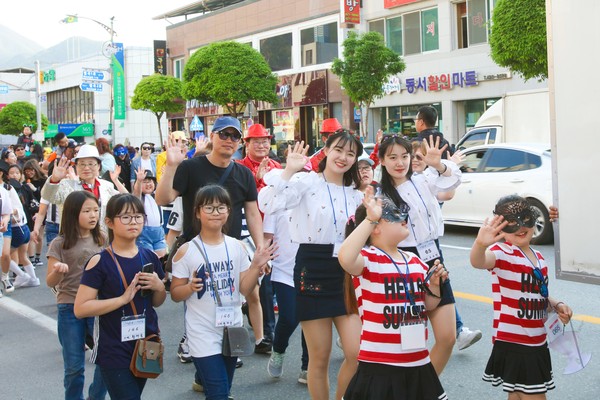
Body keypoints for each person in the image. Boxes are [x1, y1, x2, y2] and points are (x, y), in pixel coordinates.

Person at [258, 131, 363, 400]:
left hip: (346, 271)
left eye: (351, 154)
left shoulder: (357, 193)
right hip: (312, 268)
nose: (344, 157)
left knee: (357, 352)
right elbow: (268, 203)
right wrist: (288, 171)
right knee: (319, 358)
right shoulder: (306, 182)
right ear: (326, 150)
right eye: (339, 150)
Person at [338, 187, 449, 400]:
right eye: (394, 215)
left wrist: (434, 287)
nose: (403, 218)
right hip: (379, 364)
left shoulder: (415, 262)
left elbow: (427, 306)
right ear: (376, 228)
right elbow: (345, 257)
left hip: (418, 361)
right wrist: (370, 219)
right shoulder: (368, 258)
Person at [170, 184, 276, 400]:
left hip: (232, 329)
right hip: (202, 333)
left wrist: (255, 266)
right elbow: (174, 294)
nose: (215, 212)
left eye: (221, 207)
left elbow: (245, 290)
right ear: (198, 212)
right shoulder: (186, 251)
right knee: (218, 393)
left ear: (229, 212)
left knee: (223, 390)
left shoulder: (236, 247)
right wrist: (189, 287)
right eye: (208, 208)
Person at [376, 134, 470, 375]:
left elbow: (452, 181)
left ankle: (424, 388)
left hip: (433, 257)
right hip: (402, 262)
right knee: (410, 342)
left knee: (448, 337)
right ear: (382, 161)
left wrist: (438, 163)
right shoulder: (380, 198)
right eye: (393, 157)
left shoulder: (423, 179)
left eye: (405, 156)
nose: (400, 162)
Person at [470, 195, 573, 399]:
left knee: (517, 394)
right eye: (511, 223)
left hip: (536, 338)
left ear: (534, 220)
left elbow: (539, 294)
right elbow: (479, 261)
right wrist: (480, 244)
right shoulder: (502, 252)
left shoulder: (540, 258)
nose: (519, 227)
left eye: (525, 218)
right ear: (500, 229)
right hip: (516, 341)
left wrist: (557, 304)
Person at [74, 194, 166, 400]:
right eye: (125, 217)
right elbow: (80, 308)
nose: (133, 222)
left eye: (138, 216)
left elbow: (156, 302)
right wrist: (122, 300)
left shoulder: (149, 256)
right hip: (113, 347)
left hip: (145, 342)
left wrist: (159, 287)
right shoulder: (99, 261)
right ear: (109, 222)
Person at [409, 140, 482, 351]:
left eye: (419, 157)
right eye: (410, 156)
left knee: (442, 289)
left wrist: (444, 166)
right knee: (414, 305)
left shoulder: (429, 179)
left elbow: (447, 192)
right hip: (408, 253)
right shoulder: (399, 184)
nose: (414, 160)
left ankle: (458, 331)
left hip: (431, 249)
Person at [45, 190, 107, 400]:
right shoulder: (59, 243)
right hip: (69, 307)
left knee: (107, 359)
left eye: (96, 210)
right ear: (73, 213)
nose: (93, 215)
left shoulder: (102, 238)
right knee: (74, 368)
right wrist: (57, 271)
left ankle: (95, 397)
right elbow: (50, 282)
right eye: (87, 211)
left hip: (97, 307)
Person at [237, 123, 281, 353]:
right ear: (246, 144)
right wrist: (256, 178)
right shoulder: (238, 167)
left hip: (270, 230)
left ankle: (266, 333)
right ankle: (264, 333)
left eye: (265, 141)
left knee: (267, 283)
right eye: (257, 141)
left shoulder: (276, 166)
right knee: (252, 283)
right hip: (244, 233)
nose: (262, 145)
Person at [41, 144, 129, 231]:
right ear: (76, 166)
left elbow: (125, 201)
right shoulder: (66, 185)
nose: (86, 168)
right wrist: (54, 179)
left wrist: (116, 181)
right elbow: (48, 196)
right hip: (74, 240)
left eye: (91, 164)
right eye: (82, 164)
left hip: (101, 240)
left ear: (98, 166)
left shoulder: (106, 186)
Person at [133, 169, 167, 258]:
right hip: (144, 233)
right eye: (145, 182)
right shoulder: (139, 198)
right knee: (148, 258)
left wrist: (165, 177)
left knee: (162, 258)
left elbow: (163, 189)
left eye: (150, 181)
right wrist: (139, 181)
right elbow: (137, 192)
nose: (148, 184)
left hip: (159, 232)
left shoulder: (157, 196)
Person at [0, 177, 13, 296]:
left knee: (5, 254)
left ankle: (4, 277)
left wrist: (5, 220)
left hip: (1, 229)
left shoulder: (2, 191)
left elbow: (6, 213)